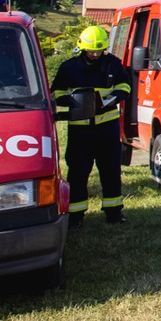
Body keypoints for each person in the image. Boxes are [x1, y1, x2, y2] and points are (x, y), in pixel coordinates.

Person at [50, 24, 131, 225]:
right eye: (91, 50)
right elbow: (56, 92)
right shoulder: (69, 68)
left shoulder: (112, 64)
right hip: (80, 129)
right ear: (82, 48)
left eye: (99, 50)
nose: (95, 54)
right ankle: (76, 215)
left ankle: (114, 213)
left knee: (111, 170)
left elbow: (125, 85)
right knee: (78, 172)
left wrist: (113, 97)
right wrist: (73, 101)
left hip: (107, 128)